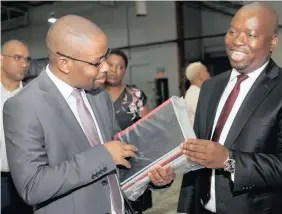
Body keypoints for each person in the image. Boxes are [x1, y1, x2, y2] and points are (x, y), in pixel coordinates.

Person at [3, 15, 175, 214]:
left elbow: (120, 156)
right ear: (64, 63)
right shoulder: (23, 106)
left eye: (105, 56)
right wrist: (104, 155)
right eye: (96, 62)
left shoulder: (99, 96)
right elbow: (32, 187)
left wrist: (152, 176)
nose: (105, 68)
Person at [178, 2, 282, 214]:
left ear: (272, 42)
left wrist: (229, 161)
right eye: (232, 31)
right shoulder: (211, 87)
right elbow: (198, 155)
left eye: (251, 35)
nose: (237, 41)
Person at [104, 48, 152, 213]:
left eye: (120, 67)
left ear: (125, 70)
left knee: (133, 208)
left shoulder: (136, 96)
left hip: (132, 164)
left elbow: (147, 131)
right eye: (110, 65)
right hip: (103, 163)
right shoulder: (91, 95)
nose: (114, 70)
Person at [1, 40, 33, 214]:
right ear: (0, 59)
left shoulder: (33, 97)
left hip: (26, 181)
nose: (24, 64)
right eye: (17, 58)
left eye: (26, 59)